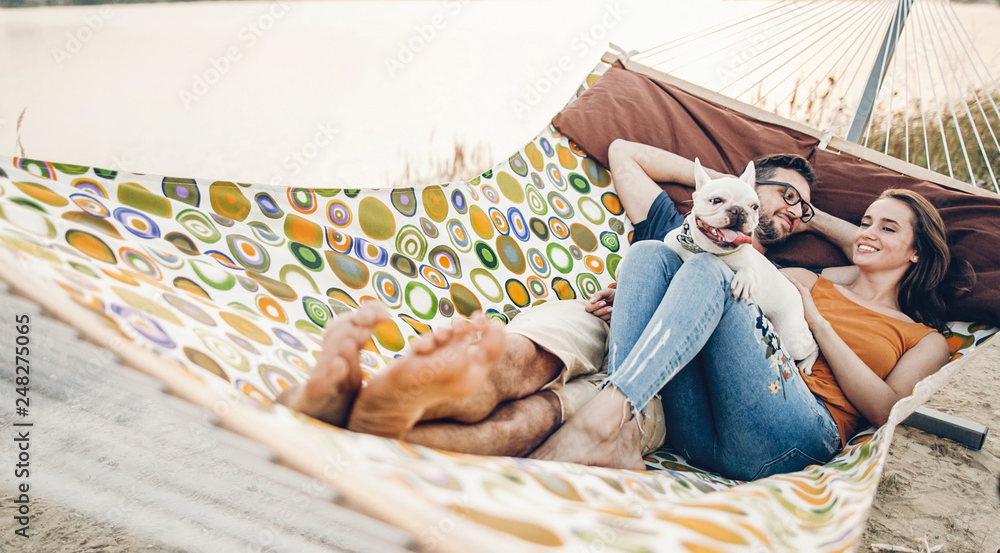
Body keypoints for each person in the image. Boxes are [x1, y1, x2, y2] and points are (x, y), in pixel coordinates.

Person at [279, 141, 856, 456]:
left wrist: (807, 215)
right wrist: (718, 184)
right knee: (521, 351)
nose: (786, 210)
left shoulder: (779, 280)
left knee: (541, 417)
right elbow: (623, 150)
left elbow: (858, 255)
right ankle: (377, 399)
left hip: (664, 378)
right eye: (780, 195)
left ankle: (372, 421)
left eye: (800, 209)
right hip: (607, 323)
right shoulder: (680, 213)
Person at [531, 189, 974, 478]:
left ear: (917, 252)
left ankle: (602, 420)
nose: (868, 232)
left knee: (712, 267)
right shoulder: (804, 278)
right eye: (866, 220)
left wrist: (818, 323)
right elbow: (706, 307)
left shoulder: (925, 338)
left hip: (793, 438)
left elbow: (885, 408)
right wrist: (634, 295)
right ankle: (622, 433)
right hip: (702, 427)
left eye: (888, 227)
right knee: (650, 254)